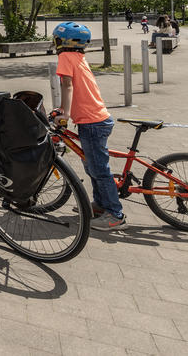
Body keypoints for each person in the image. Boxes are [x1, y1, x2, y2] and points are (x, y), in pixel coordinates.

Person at [52, 22, 126, 231]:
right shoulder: (78, 57)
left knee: (99, 170)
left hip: (92, 123)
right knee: (92, 166)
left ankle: (115, 215)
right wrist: (62, 109)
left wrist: (65, 114)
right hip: (95, 119)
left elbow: (68, 85)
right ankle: (101, 205)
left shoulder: (65, 57)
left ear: (61, 41)